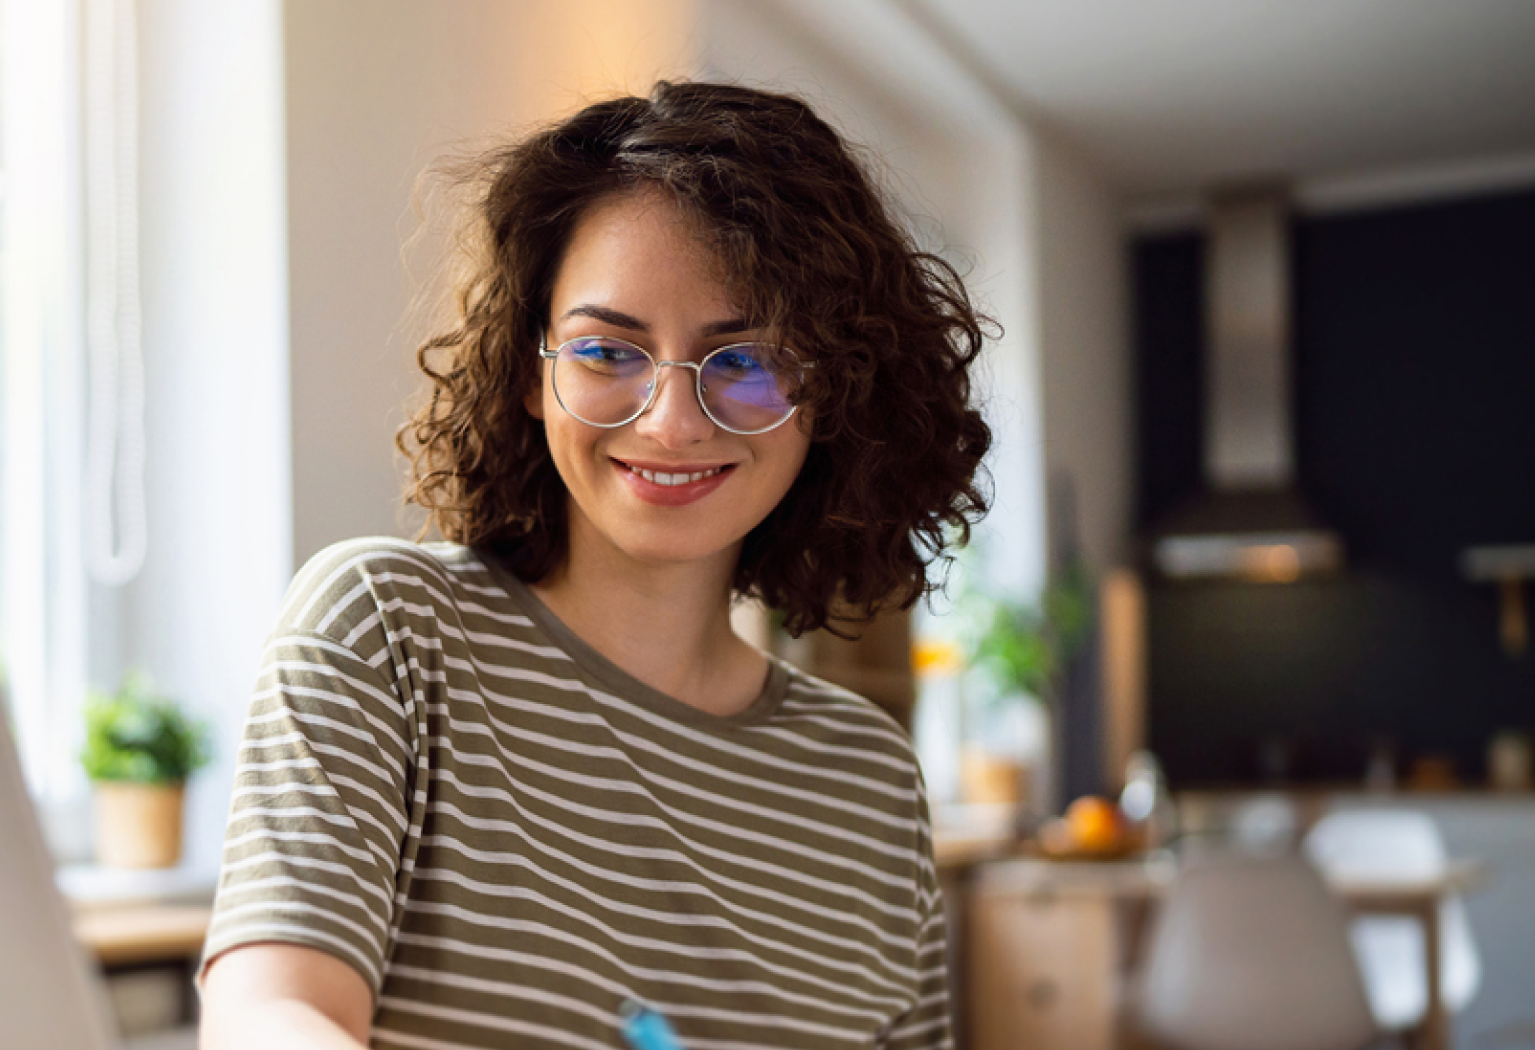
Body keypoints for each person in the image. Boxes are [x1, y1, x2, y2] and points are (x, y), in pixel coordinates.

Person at [198, 81, 991, 1050]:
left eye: (741, 361)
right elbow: (272, 1016)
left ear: (831, 392)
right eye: (608, 350)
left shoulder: (870, 786)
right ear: (533, 374)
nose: (670, 420)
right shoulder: (387, 634)